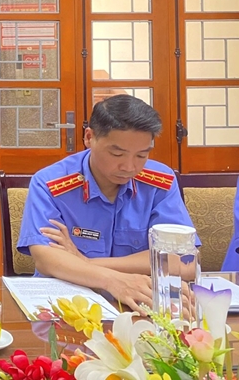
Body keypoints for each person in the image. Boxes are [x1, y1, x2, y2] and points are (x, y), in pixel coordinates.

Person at [17, 95, 196, 312]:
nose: (129, 167)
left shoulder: (160, 182)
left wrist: (84, 262)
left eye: (141, 155)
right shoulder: (51, 184)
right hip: (68, 304)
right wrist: (113, 281)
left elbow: (184, 262)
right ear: (89, 137)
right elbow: (46, 259)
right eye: (117, 153)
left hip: (141, 306)